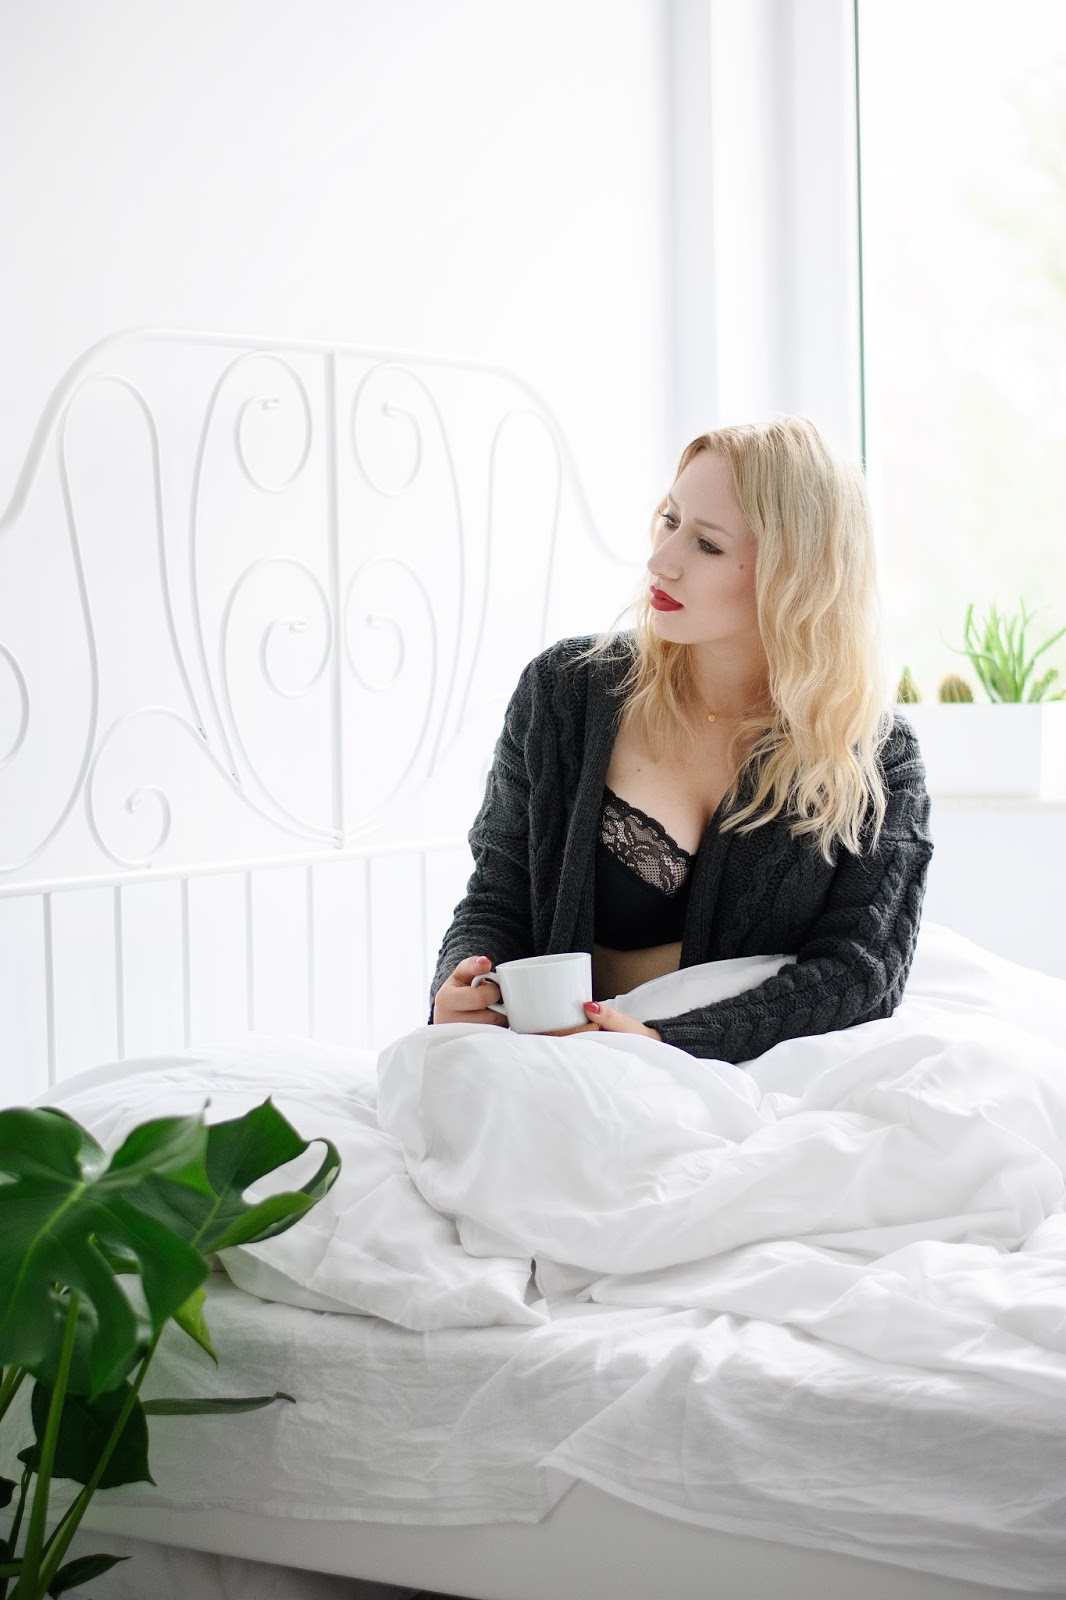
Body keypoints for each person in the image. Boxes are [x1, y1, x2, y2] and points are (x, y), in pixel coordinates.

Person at [429, 416, 933, 1063]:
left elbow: (862, 970)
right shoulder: (567, 692)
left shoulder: (874, 757)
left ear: (796, 574)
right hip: (560, 1064)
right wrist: (463, 984)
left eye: (707, 545)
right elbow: (499, 893)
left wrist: (665, 1044)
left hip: (749, 1073)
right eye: (669, 520)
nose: (660, 562)